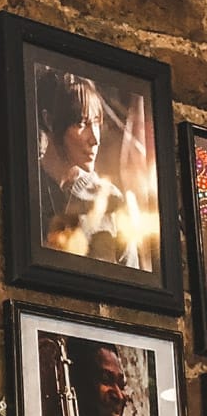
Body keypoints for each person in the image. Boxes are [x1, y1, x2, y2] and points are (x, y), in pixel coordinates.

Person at [35, 68, 141, 268]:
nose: (95, 139)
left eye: (97, 123)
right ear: (49, 120)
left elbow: (135, 282)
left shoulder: (110, 200)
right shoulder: (31, 187)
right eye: (82, 123)